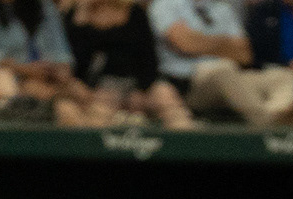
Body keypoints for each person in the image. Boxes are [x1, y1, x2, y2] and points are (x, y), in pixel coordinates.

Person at [150, 0, 293, 125]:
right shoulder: (165, 4)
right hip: (189, 84)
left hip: (232, 76)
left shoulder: (221, 7)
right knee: (222, 71)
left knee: (285, 76)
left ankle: (277, 122)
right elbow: (185, 43)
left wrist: (198, 41)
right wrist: (227, 45)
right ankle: (272, 128)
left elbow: (245, 54)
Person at [0, 0, 110, 125]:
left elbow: (62, 53)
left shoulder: (44, 5)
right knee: (66, 110)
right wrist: (27, 70)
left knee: (94, 104)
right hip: (11, 79)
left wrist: (60, 71)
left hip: (49, 77)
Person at [67, 0, 196, 128]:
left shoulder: (135, 13)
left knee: (165, 95)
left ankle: (186, 136)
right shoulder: (74, 17)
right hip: (98, 88)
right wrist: (80, 24)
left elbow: (148, 59)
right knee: (99, 111)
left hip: (137, 83)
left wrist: (142, 89)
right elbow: (75, 67)